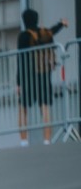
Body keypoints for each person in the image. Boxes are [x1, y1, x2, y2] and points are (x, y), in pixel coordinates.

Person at [16, 8, 68, 146]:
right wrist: (61, 23)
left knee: (23, 108)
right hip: (44, 74)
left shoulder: (24, 36)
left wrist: (18, 82)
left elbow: (20, 59)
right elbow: (53, 30)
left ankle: (23, 141)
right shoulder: (45, 33)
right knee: (44, 107)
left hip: (28, 76)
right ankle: (46, 140)